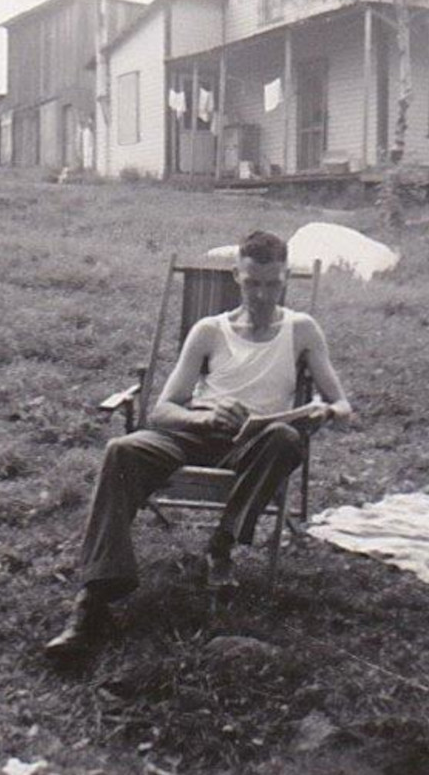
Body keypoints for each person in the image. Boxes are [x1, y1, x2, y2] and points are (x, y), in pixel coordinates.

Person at [44, 230, 353, 661]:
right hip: (193, 435)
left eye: (272, 284)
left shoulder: (302, 330)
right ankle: (94, 599)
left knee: (285, 439)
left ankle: (221, 545)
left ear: (284, 279)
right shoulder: (209, 331)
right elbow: (163, 410)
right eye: (252, 283)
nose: (262, 295)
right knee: (122, 450)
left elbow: (341, 403)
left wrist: (322, 412)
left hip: (256, 443)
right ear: (236, 276)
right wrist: (204, 416)